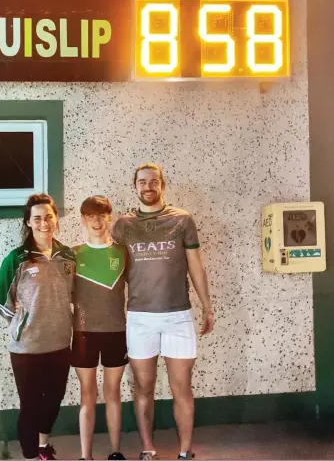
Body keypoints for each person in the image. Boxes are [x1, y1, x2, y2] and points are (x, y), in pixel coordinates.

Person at [112, 164, 215, 461]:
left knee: (181, 387)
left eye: (154, 181)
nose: (148, 186)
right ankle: (148, 449)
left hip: (178, 316)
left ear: (163, 186)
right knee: (143, 387)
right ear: (135, 186)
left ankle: (185, 452)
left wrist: (207, 306)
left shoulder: (182, 219)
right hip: (139, 318)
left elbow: (196, 265)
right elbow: (112, 271)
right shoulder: (123, 225)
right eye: (142, 182)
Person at [0, 193, 75, 461]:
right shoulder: (17, 258)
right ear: (28, 222)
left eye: (48, 217)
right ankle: (30, 454)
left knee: (53, 399)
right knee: (30, 405)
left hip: (60, 343)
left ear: (56, 219)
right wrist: (19, 320)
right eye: (37, 218)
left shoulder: (68, 256)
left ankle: (42, 447)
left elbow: (75, 294)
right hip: (26, 347)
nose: (44, 223)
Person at [72, 196, 129, 461]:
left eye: (101, 215)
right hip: (83, 332)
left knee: (113, 393)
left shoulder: (122, 252)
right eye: (90, 216)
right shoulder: (72, 254)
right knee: (87, 395)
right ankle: (86, 456)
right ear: (83, 220)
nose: (96, 221)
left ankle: (115, 452)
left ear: (109, 217)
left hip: (117, 331)